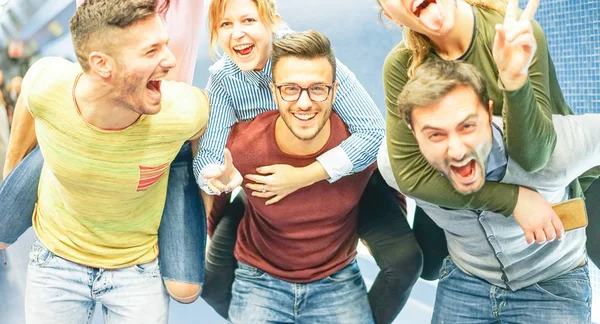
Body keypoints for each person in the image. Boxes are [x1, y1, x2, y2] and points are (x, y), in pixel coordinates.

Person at [197, 1, 421, 322]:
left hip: (344, 174)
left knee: (404, 260)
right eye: (225, 25)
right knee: (214, 277)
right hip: (265, 183)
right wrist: (218, 200)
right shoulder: (224, 80)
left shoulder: (308, 61)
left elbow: (372, 134)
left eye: (248, 20)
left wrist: (302, 176)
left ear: (273, 23)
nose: (238, 34)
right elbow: (215, 155)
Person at [4, 0, 216, 322]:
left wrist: (212, 179)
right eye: (151, 51)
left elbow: (203, 133)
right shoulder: (48, 83)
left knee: (184, 289)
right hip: (55, 260)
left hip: (136, 268)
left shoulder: (183, 109)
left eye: (166, 45)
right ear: (101, 64)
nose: (170, 61)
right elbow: (30, 103)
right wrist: (12, 174)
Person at [376, 0, 600, 279]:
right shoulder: (401, 65)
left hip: (549, 173)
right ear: (391, 17)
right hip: (465, 172)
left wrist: (513, 79)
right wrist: (512, 200)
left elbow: (534, 160)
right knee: (430, 265)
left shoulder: (511, 32)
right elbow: (409, 173)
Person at [378, 58, 594, 323]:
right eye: (436, 135)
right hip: (465, 279)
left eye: (467, 126)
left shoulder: (557, 152)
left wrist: (579, 183)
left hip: (553, 281)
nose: (457, 151)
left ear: (489, 112)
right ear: (412, 133)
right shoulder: (395, 167)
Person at [224, 29, 375, 324]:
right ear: (273, 91)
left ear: (334, 90)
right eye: (290, 89)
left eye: (317, 88)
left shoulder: (359, 150)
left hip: (337, 278)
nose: (304, 103)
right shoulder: (244, 147)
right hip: (260, 278)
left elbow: (389, 196)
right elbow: (214, 188)